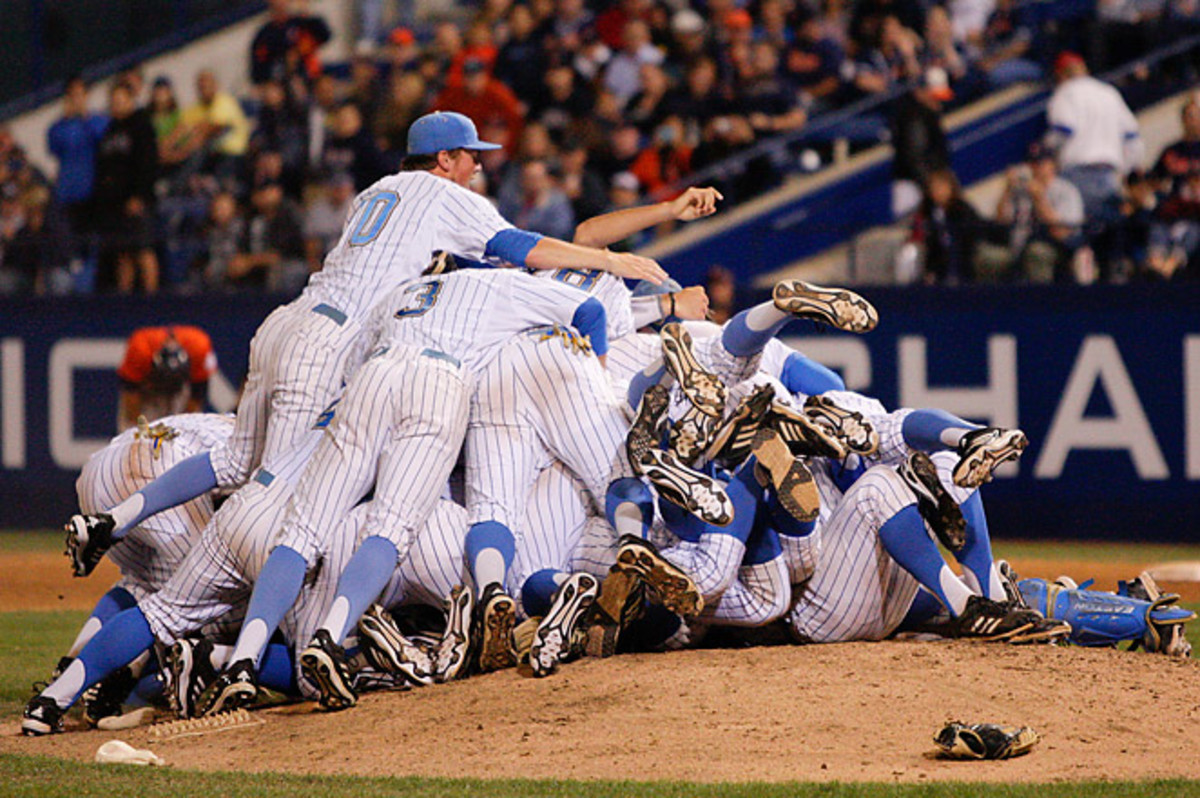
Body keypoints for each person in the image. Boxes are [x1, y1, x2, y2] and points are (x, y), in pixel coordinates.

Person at [64, 111, 667, 584]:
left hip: (285, 324)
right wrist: (607, 260)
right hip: (332, 343)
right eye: (471, 158)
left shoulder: (375, 192)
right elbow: (521, 248)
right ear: (445, 159)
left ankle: (111, 520)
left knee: (237, 465)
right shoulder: (444, 194)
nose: (478, 169)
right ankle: (228, 638)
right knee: (279, 502)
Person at [1046, 52, 1143, 238]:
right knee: (1111, 230)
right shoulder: (1108, 92)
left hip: (1076, 174)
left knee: (1079, 233)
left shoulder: (1065, 92)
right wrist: (1123, 170)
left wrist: (1045, 149)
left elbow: (1063, 130)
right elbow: (1133, 139)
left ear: (1060, 74)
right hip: (1109, 174)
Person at [92, 81, 160, 294]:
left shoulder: (141, 125)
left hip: (137, 201)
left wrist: (139, 196)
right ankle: (125, 299)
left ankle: (152, 298)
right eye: (113, 101)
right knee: (122, 252)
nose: (117, 105)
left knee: (143, 249)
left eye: (121, 101)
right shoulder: (110, 130)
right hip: (115, 204)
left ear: (131, 100)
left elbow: (148, 163)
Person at [993, 142, 1085, 282]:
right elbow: (999, 222)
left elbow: (1063, 232)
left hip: (1054, 247)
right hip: (1016, 246)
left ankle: (1039, 300)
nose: (1035, 168)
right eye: (1031, 163)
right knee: (989, 257)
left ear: (1052, 164)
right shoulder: (1018, 190)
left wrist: (1039, 198)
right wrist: (1007, 189)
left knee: (1037, 252)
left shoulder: (1066, 190)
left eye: (1040, 163)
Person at [116, 326, 218, 430]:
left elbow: (197, 393)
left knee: (187, 431)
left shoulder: (199, 347)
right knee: (133, 434)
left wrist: (184, 428)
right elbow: (130, 392)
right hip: (148, 389)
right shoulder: (140, 349)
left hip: (182, 390)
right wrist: (139, 429)